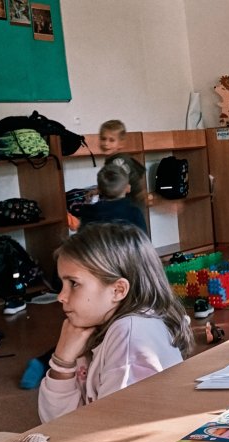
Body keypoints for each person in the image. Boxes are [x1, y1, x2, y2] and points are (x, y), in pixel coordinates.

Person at [38, 223, 192, 423]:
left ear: (118, 290)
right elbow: (57, 425)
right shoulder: (98, 328)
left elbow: (110, 429)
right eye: (62, 284)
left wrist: (62, 362)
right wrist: (62, 362)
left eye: (74, 284)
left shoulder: (129, 334)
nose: (61, 296)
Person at [74, 164, 148, 234]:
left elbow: (81, 239)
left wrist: (87, 204)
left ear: (99, 189)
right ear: (128, 188)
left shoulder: (88, 213)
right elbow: (144, 239)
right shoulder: (134, 213)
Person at [98, 120, 147, 207]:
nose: (106, 143)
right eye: (103, 139)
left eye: (112, 140)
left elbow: (126, 185)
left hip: (129, 207)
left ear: (121, 143)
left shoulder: (118, 162)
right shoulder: (116, 159)